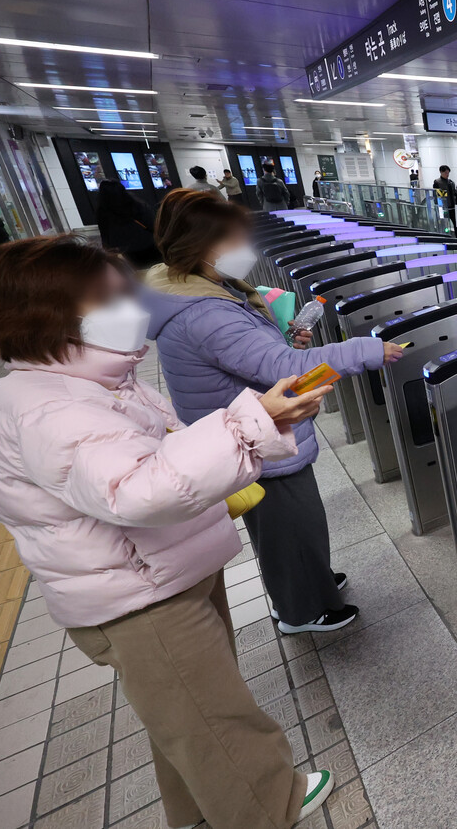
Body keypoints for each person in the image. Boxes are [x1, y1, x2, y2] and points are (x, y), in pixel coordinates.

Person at [0, 236, 338, 829]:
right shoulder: (49, 408)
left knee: (184, 717)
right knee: (215, 716)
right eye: (107, 296)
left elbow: (156, 454)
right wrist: (251, 423)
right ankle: (267, 806)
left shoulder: (85, 382)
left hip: (158, 570)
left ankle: (197, 811)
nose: (130, 304)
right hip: (141, 594)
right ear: (49, 316)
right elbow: (137, 490)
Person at [145, 190, 406, 633]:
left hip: (248, 428)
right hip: (257, 440)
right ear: (205, 245)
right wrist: (368, 350)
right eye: (235, 238)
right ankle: (301, 611)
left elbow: (258, 358)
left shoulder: (195, 289)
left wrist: (280, 341)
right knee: (289, 528)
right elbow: (285, 370)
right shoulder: (205, 311)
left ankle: (308, 584)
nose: (246, 248)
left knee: (293, 527)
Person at [96, 178, 161, 269]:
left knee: (139, 275)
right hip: (148, 244)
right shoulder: (137, 205)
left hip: (126, 252)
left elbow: (105, 234)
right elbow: (152, 224)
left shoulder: (103, 212)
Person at [432, 164, 456, 232]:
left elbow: (454, 193)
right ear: (441, 172)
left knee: (455, 223)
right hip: (443, 207)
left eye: (448, 173)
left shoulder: (451, 182)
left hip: (452, 206)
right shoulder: (437, 182)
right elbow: (437, 196)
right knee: (444, 223)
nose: (447, 174)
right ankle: (444, 235)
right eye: (446, 173)